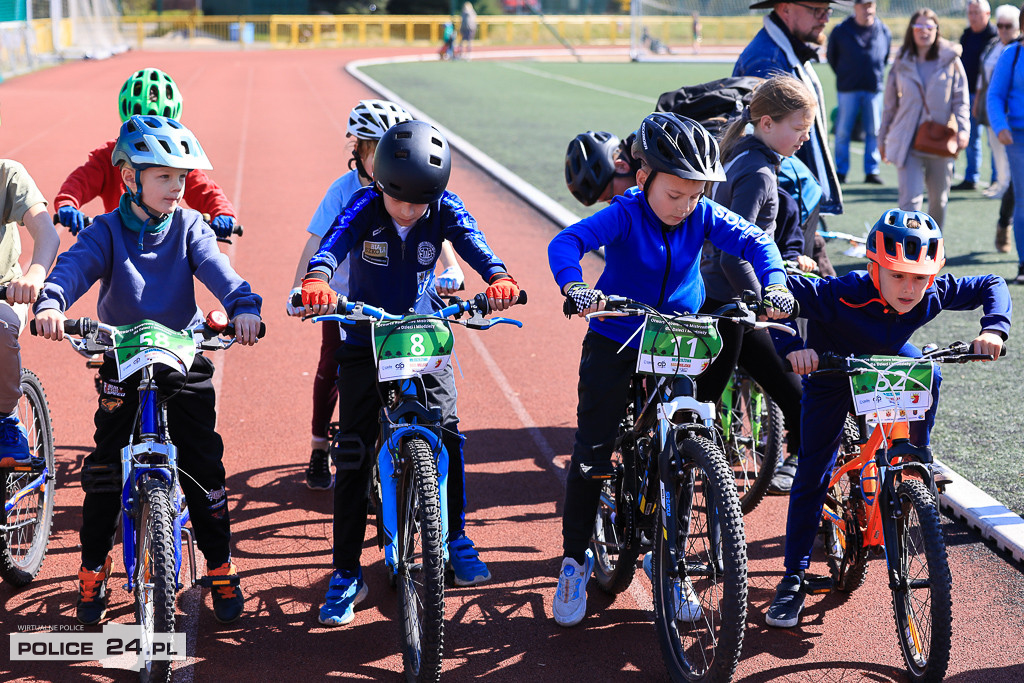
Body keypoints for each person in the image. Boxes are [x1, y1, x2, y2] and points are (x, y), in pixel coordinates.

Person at [547, 112, 795, 628]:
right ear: (643, 179)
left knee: (684, 450)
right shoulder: (624, 212)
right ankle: (574, 560)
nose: (685, 207)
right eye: (674, 194)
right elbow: (566, 243)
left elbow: (755, 240)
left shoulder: (703, 214)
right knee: (593, 451)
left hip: (679, 336)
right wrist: (575, 288)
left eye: (695, 195)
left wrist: (773, 283)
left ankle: (675, 566)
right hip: (618, 334)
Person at [33, 115, 263, 625]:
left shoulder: (189, 226)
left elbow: (218, 269)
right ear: (129, 178)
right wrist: (52, 302)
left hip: (182, 353)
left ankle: (220, 565)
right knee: (103, 471)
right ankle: (93, 568)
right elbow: (74, 267)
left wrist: (243, 305)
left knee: (204, 465)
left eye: (181, 177)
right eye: (163, 176)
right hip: (122, 356)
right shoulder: (106, 229)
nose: (177, 187)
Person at [299, 120, 521, 626]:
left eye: (421, 203)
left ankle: (457, 537)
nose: (410, 211)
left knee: (449, 435)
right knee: (353, 452)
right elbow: (333, 243)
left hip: (425, 334)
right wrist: (316, 278)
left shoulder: (442, 207)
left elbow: (474, 241)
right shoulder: (363, 206)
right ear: (380, 183)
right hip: (365, 338)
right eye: (400, 200)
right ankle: (346, 570)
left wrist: (499, 276)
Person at [764, 208, 1010, 628]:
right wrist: (792, 349)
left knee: (928, 371)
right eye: (897, 275)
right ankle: (792, 578)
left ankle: (916, 455)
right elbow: (779, 295)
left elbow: (992, 283)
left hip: (888, 361)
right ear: (872, 266)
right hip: (831, 371)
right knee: (813, 470)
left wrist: (994, 329)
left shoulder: (930, 291)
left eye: (920, 277)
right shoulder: (839, 292)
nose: (910, 288)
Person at [286, 99, 465, 491]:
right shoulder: (345, 191)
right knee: (332, 364)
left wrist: (451, 269)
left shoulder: (412, 189)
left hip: (400, 298)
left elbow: (437, 230)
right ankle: (319, 444)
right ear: (361, 153)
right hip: (345, 299)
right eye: (372, 149)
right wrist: (302, 287)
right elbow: (317, 242)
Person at [703, 74, 819, 496]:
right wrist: (763, 298)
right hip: (729, 301)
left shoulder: (739, 153)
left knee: (708, 399)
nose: (804, 138)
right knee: (708, 404)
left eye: (807, 130)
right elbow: (733, 251)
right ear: (767, 124)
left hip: (718, 295)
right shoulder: (758, 173)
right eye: (798, 128)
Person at [54, 68, 238, 239]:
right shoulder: (109, 156)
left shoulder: (176, 157)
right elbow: (79, 182)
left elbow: (203, 188)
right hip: (119, 244)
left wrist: (222, 212)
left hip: (164, 241)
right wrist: (68, 204)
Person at [734, 0, 844, 216]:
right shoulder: (768, 58)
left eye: (827, 10)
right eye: (816, 10)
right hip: (783, 197)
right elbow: (768, 138)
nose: (825, 18)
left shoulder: (787, 48)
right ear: (785, 8)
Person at [878, 9, 970, 231]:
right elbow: (890, 105)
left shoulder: (950, 59)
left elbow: (960, 98)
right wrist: (883, 138)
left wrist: (963, 129)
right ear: (912, 31)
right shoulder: (902, 60)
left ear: (937, 30)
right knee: (910, 203)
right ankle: (911, 252)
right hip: (907, 139)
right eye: (919, 27)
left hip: (940, 139)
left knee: (939, 200)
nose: (924, 32)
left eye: (930, 27)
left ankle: (934, 246)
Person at [0, 150, 59, 467]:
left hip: (4, 295)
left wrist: (35, 274)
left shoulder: (7, 175)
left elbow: (46, 232)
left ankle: (5, 417)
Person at [826, 0, 891, 185]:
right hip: (848, 89)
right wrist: (846, 75)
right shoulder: (841, 30)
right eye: (863, 5)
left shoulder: (883, 30)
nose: (867, 9)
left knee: (874, 131)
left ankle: (872, 170)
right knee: (843, 131)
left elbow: (883, 58)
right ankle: (841, 171)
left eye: (870, 5)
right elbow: (832, 57)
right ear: (855, 7)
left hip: (873, 89)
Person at [986, 1, 1024, 283]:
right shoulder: (1012, 54)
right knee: (1023, 200)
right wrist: (1000, 125)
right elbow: (995, 95)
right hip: (1018, 136)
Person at [976, 4, 1020, 205]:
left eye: (1008, 25)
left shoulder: (1015, 50)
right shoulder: (994, 47)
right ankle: (1000, 182)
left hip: (1012, 115)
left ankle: (1005, 187)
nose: (1003, 29)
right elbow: (983, 77)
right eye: (999, 25)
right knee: (994, 148)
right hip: (994, 112)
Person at [953, 0, 999, 191]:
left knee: (993, 140)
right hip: (967, 94)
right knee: (971, 139)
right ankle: (971, 177)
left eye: (976, 13)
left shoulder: (995, 36)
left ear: (987, 14)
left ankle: (997, 180)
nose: (972, 16)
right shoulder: (967, 35)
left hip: (990, 97)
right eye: (970, 12)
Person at [564, 130, 641, 207]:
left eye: (611, 197)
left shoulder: (651, 161)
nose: (614, 205)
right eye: (608, 202)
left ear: (621, 166)